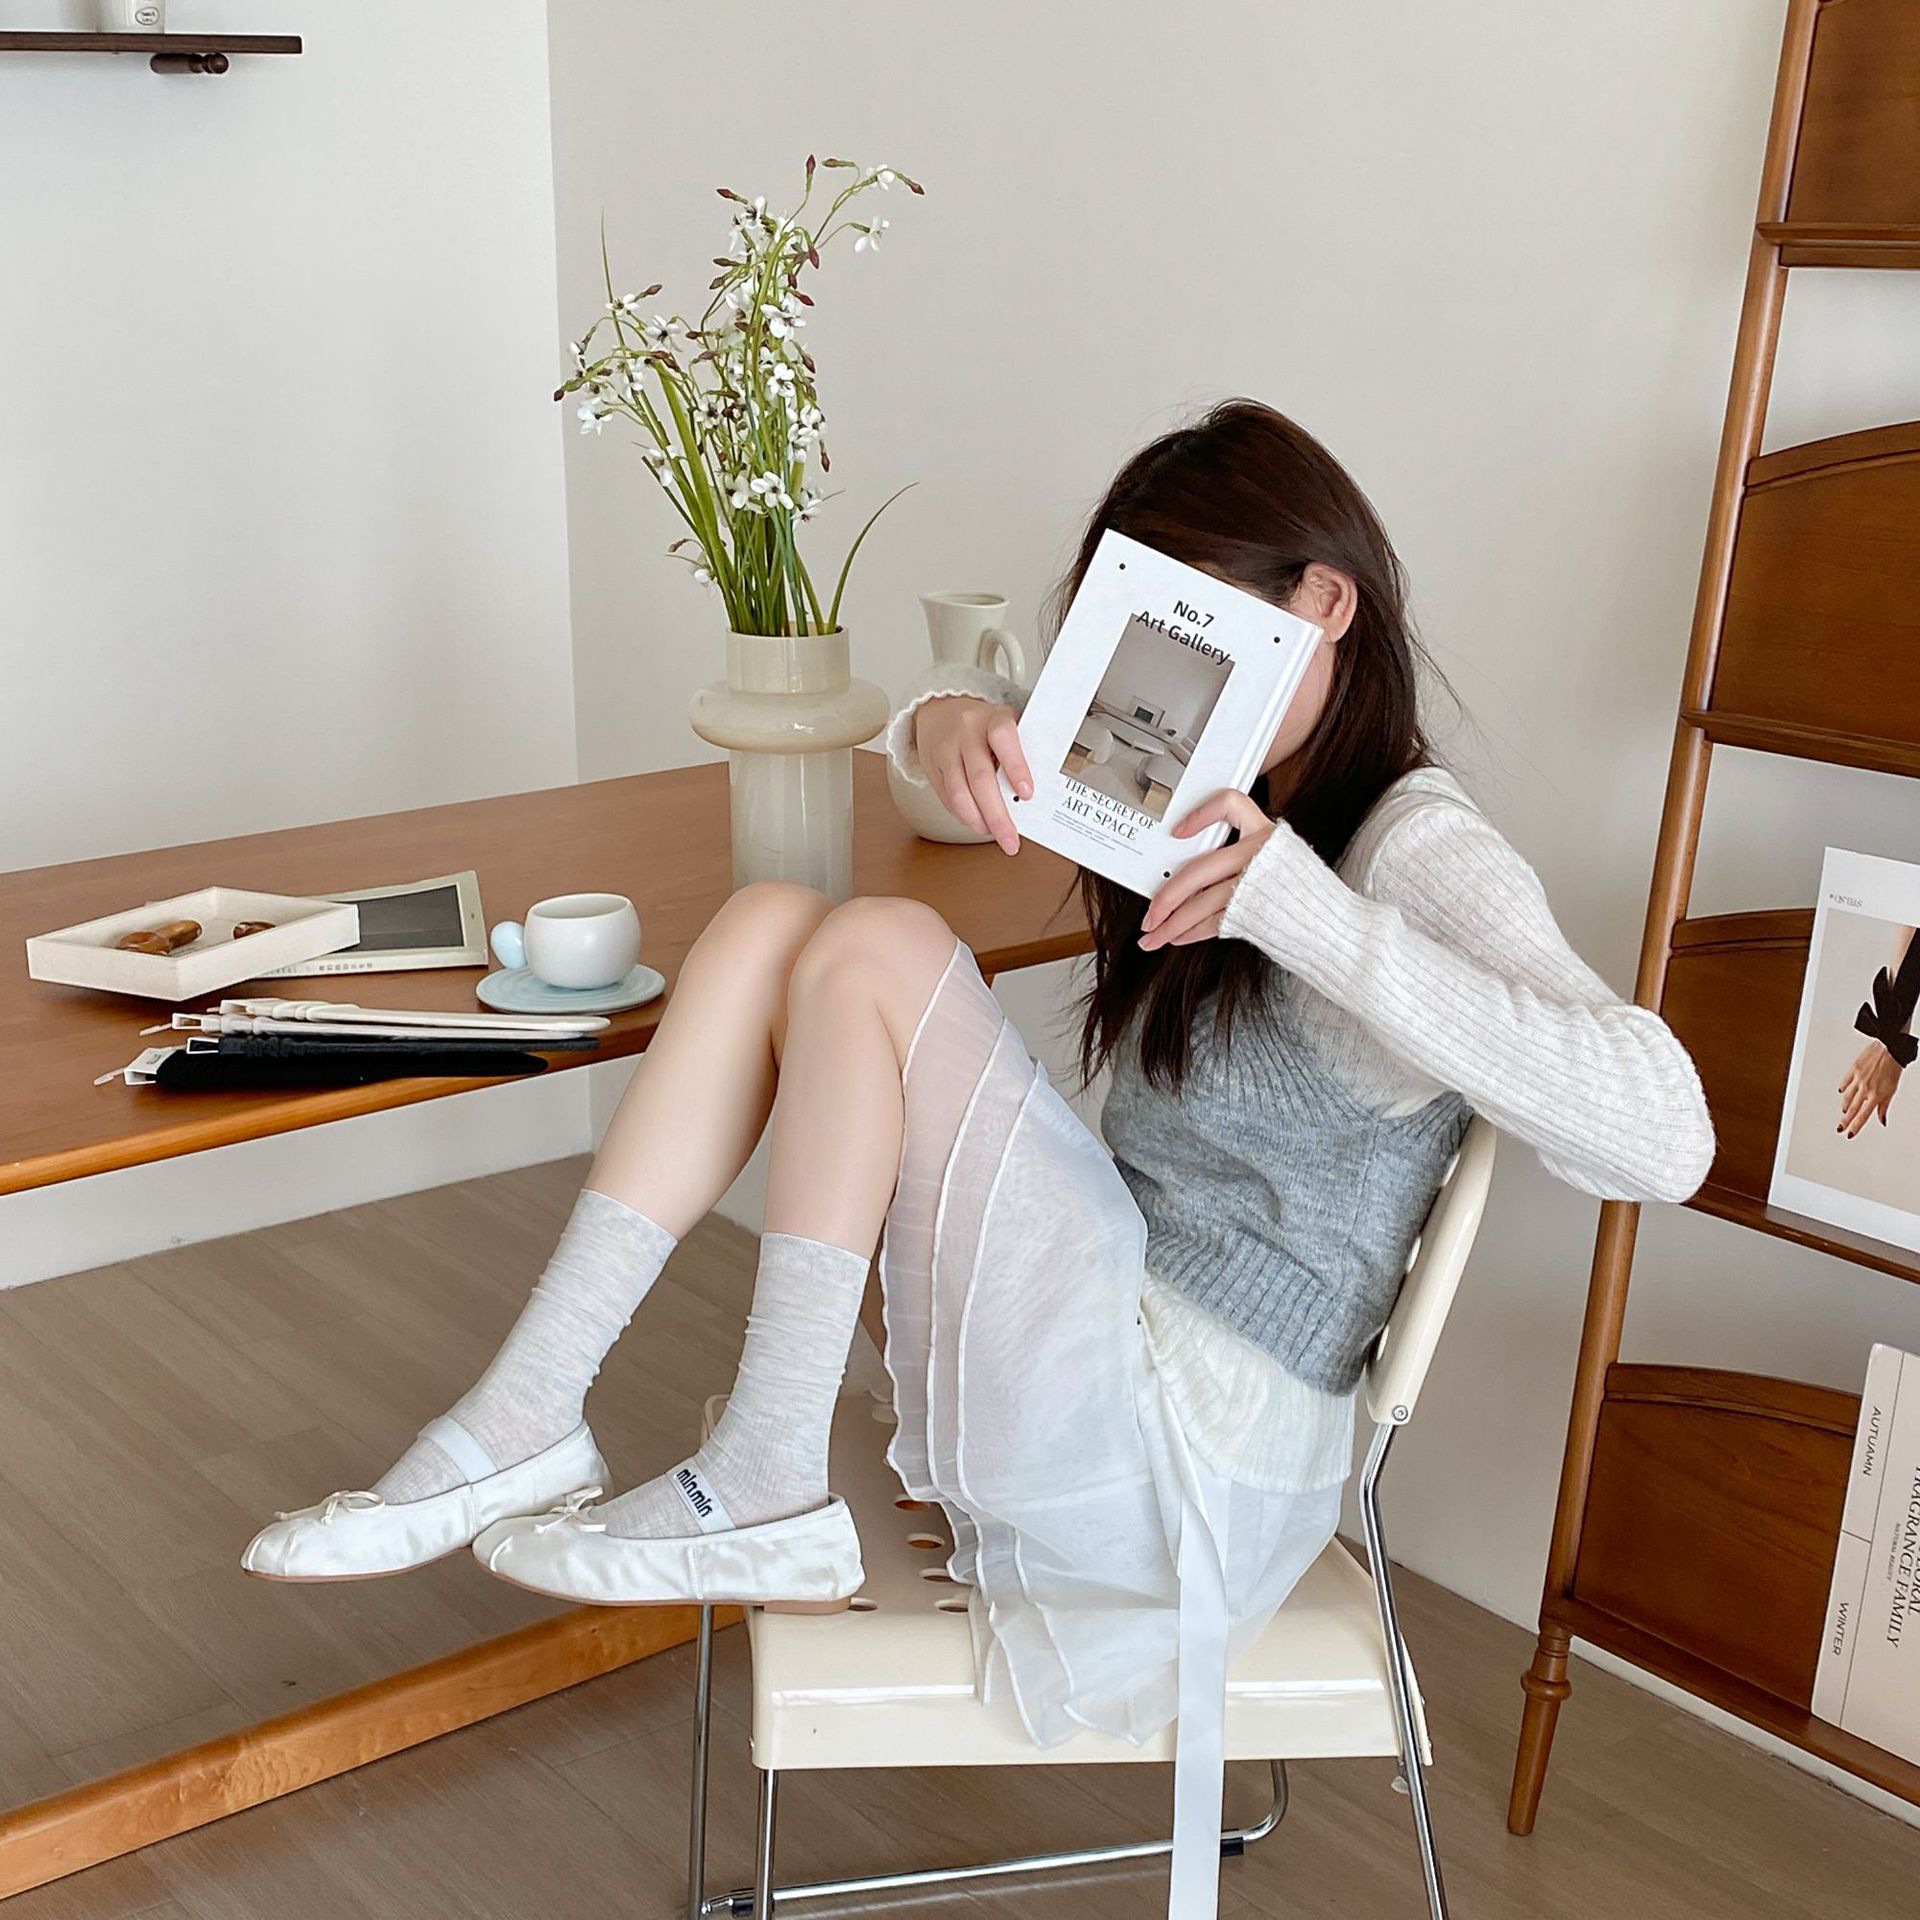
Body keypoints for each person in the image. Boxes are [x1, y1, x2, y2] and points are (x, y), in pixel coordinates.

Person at [245, 400, 1714, 1911]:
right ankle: (526, 1411)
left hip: (1185, 1462)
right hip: (1091, 1354)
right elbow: (979, 709)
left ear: (1323, 603)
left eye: (1207, 637)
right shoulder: (1212, 766)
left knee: (876, 948)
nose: (1172, 689)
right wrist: (943, 717)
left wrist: (1312, 918)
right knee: (771, 918)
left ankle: (763, 1477)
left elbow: (1663, 1135)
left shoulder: (1416, 846)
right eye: (1148, 643)